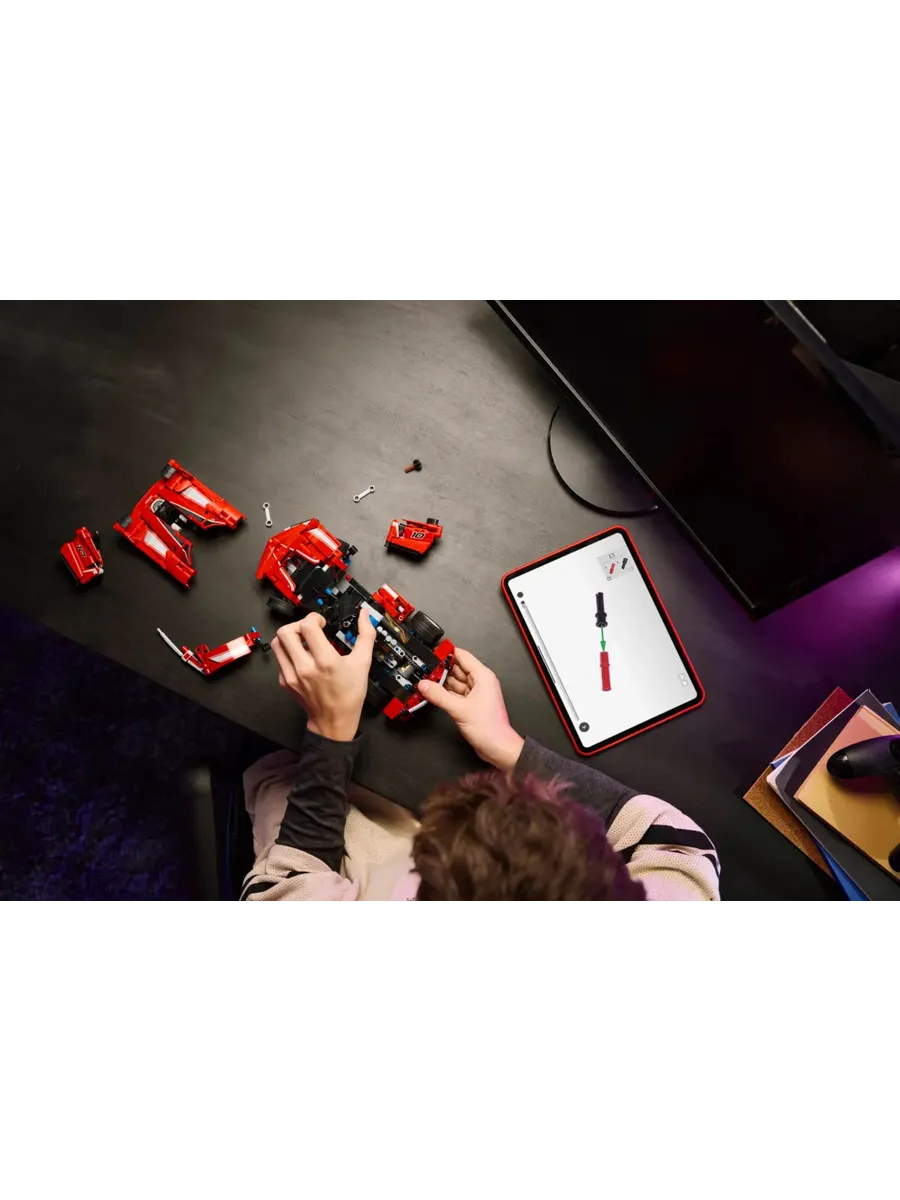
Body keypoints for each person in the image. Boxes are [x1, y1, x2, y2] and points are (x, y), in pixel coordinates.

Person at [241, 612, 720, 903]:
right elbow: (680, 846)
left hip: (323, 830)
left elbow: (278, 889)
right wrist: (508, 747)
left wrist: (329, 734)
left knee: (274, 777)